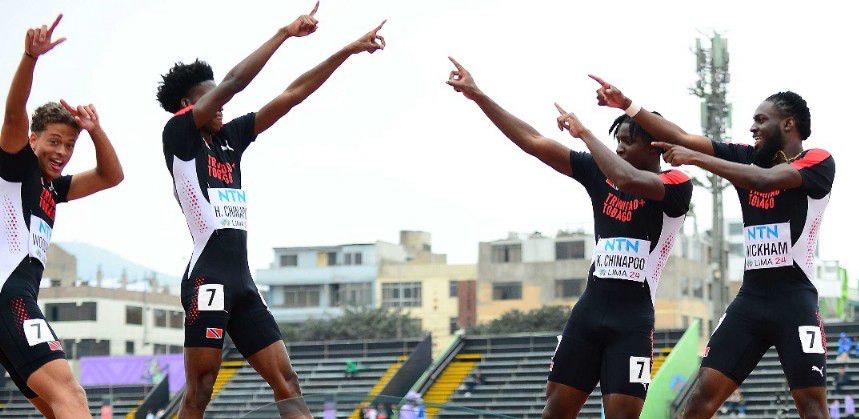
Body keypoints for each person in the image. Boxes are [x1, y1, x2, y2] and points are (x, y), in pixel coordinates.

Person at [155, 3, 385, 418]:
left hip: (242, 281)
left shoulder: (230, 139)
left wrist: (347, 50)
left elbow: (292, 95)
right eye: (212, 98)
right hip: (207, 277)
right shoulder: (179, 135)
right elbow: (235, 82)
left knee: (287, 382)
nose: (222, 105)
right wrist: (283, 34)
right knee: (200, 389)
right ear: (188, 104)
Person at [446, 58, 692, 419]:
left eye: (627, 142)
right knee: (555, 411)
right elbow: (533, 141)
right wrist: (478, 95)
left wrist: (586, 134)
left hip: (632, 322)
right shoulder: (600, 173)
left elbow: (627, 179)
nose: (619, 149)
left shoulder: (676, 184)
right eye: (617, 142)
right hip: (588, 313)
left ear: (656, 147)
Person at [589, 76, 835, 419]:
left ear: (788, 124)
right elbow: (681, 137)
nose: (753, 127)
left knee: (812, 406)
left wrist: (697, 159)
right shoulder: (748, 157)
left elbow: (761, 180)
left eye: (761, 120)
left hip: (794, 302)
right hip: (750, 301)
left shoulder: (817, 161)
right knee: (699, 400)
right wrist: (628, 105)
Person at [0, 14, 123, 419]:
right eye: (54, 141)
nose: (62, 153)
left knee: (57, 409)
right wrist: (30, 58)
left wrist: (95, 130)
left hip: (15, 301)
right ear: (33, 139)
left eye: (69, 145)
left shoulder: (54, 187)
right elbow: (14, 114)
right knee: (71, 395)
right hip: (9, 298)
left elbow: (111, 176)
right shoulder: (17, 167)